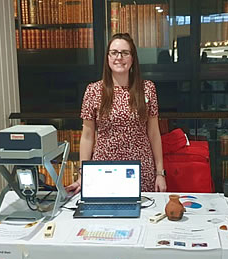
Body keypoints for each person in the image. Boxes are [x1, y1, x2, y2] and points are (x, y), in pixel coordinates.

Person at [66, 33, 167, 195]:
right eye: (114, 52)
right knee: (105, 216)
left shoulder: (147, 88)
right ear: (107, 57)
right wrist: (82, 175)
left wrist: (160, 173)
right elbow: (87, 136)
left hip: (141, 169)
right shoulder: (93, 91)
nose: (119, 57)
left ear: (133, 58)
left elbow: (154, 133)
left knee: (141, 216)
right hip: (104, 170)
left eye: (125, 53)